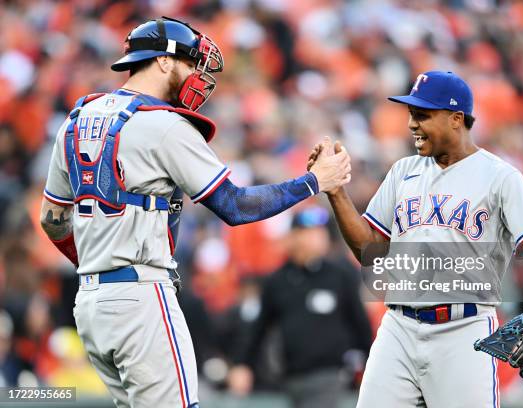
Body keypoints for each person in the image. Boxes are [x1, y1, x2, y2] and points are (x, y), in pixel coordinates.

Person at [39, 17, 350, 408]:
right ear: (165, 62)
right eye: (190, 63)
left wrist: (99, 264)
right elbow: (234, 206)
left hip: (90, 304)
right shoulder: (163, 124)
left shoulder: (76, 118)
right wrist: (312, 181)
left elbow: (52, 220)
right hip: (141, 297)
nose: (195, 77)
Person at [308, 70, 523, 407]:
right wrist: (336, 193)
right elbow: (371, 253)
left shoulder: (500, 177)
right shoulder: (403, 171)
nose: (412, 124)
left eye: (422, 115)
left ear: (456, 119)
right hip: (398, 325)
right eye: (411, 114)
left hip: (464, 330)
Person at [227, 206, 372, 408]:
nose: (317, 238)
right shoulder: (277, 281)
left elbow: (361, 325)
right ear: (293, 237)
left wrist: (371, 364)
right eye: (309, 233)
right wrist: (242, 364)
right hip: (290, 378)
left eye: (320, 233)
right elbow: (258, 328)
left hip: (330, 376)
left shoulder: (339, 276)